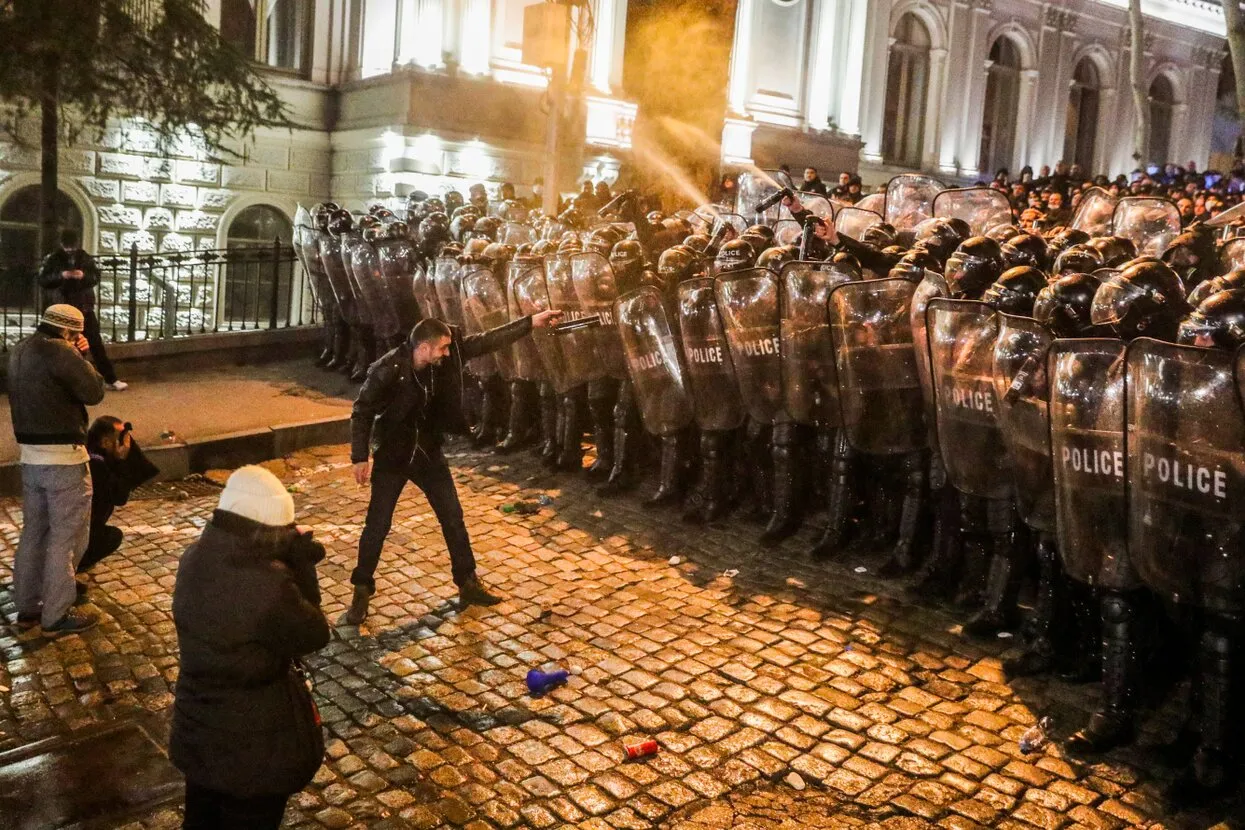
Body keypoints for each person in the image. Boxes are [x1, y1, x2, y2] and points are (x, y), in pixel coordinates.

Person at [346, 312, 563, 624]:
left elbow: (488, 340)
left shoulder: (447, 358)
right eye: (442, 349)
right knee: (377, 525)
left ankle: (467, 582)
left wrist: (531, 322)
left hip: (428, 454)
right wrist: (359, 456)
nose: (448, 353)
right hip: (393, 455)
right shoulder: (389, 369)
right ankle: (362, 590)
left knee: (452, 516)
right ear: (423, 348)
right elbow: (362, 409)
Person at [170, 466, 329, 830]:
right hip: (254, 749)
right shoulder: (268, 586)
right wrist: (302, 566)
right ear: (266, 533)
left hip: (199, 732)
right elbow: (314, 633)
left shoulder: (195, 557)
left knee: (201, 819)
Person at [8, 304, 106, 635]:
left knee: (34, 531)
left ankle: (27, 607)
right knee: (66, 537)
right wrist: (85, 356)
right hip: (64, 459)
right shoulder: (62, 353)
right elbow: (94, 391)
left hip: (30, 457)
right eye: (77, 334)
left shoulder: (20, 349)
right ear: (69, 331)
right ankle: (55, 614)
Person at [39, 228, 127, 391]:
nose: (70, 250)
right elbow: (43, 280)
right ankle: (63, 381)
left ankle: (110, 378)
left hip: (84, 307)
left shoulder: (84, 258)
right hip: (63, 310)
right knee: (63, 346)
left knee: (95, 343)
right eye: (67, 247)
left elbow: (95, 277)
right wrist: (62, 276)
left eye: (72, 247)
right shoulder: (53, 259)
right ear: (62, 245)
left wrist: (83, 276)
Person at [78, 416, 159, 574]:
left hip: (74, 529)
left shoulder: (87, 453)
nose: (126, 444)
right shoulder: (97, 465)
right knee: (112, 536)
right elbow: (120, 497)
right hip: (79, 532)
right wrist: (121, 461)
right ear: (105, 442)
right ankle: (79, 563)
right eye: (120, 438)